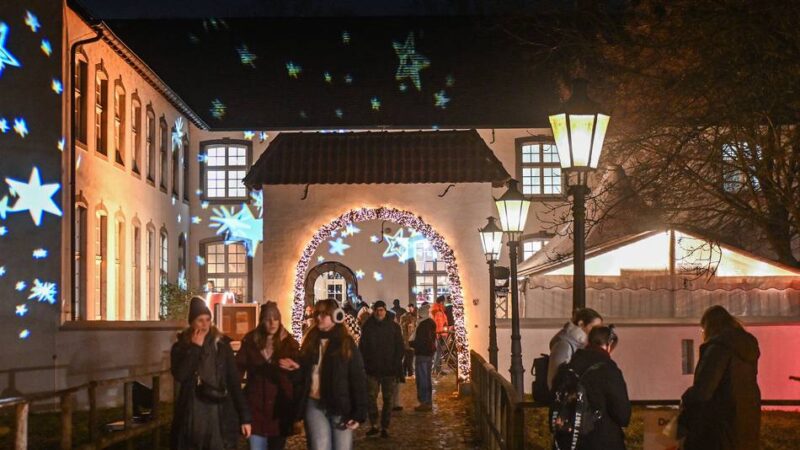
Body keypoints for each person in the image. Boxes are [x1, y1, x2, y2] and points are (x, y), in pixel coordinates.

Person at [279, 299, 368, 450]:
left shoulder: (346, 343)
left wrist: (359, 413)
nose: (319, 317)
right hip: (314, 404)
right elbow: (304, 376)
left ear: (335, 316)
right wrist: (295, 369)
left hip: (340, 406)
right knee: (319, 447)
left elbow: (358, 379)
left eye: (324, 314)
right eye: (317, 314)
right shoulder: (310, 341)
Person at [170, 296, 252, 450]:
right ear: (192, 322)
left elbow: (233, 381)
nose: (205, 324)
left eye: (207, 319)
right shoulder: (181, 347)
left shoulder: (221, 345)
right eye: (200, 320)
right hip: (193, 410)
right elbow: (180, 375)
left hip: (218, 410)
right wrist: (195, 348)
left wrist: (244, 417)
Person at [679, 305, 760, 450]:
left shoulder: (717, 348)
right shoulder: (746, 349)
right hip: (746, 429)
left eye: (702, 330)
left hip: (719, 430)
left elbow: (702, 391)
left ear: (709, 326)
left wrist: (686, 398)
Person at [552, 326, 630, 450]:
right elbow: (623, 415)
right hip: (601, 441)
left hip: (567, 442)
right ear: (608, 345)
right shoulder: (608, 370)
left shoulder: (566, 369)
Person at [236, 301, 300, 450]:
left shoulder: (289, 343)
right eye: (267, 319)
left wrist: (295, 368)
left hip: (279, 412)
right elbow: (237, 370)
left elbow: (300, 377)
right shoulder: (251, 341)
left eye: (275, 318)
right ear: (261, 321)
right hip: (255, 409)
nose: (272, 322)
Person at [359, 300, 405, 438]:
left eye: (381, 310)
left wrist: (395, 364)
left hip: (388, 370)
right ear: (374, 311)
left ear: (385, 311)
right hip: (372, 370)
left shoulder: (393, 327)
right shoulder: (368, 327)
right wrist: (365, 364)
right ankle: (374, 424)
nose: (379, 313)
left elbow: (399, 347)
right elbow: (362, 348)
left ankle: (385, 426)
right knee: (371, 398)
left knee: (388, 399)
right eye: (377, 310)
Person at [547, 308, 603, 389]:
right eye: (594, 327)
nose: (597, 332)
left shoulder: (581, 344)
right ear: (581, 324)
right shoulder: (564, 345)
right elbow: (556, 378)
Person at [410, 303, 436, 411]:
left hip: (422, 354)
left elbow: (420, 341)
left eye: (419, 315)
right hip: (428, 354)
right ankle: (427, 401)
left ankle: (424, 402)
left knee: (422, 379)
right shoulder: (431, 324)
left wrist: (412, 344)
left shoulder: (422, 326)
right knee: (426, 378)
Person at [431, 296, 449, 373]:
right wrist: (440, 334)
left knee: (439, 352)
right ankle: (435, 369)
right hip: (441, 335)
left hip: (441, 334)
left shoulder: (438, 310)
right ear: (441, 302)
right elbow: (439, 324)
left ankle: (438, 369)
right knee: (438, 352)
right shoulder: (438, 312)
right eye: (443, 302)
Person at [399, 303, 418, 377]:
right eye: (409, 307)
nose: (410, 309)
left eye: (411, 308)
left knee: (409, 356)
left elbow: (415, 327)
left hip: (412, 338)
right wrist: (408, 322)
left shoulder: (414, 317)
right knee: (408, 355)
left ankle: (405, 371)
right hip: (406, 339)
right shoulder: (403, 316)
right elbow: (402, 327)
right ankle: (409, 372)